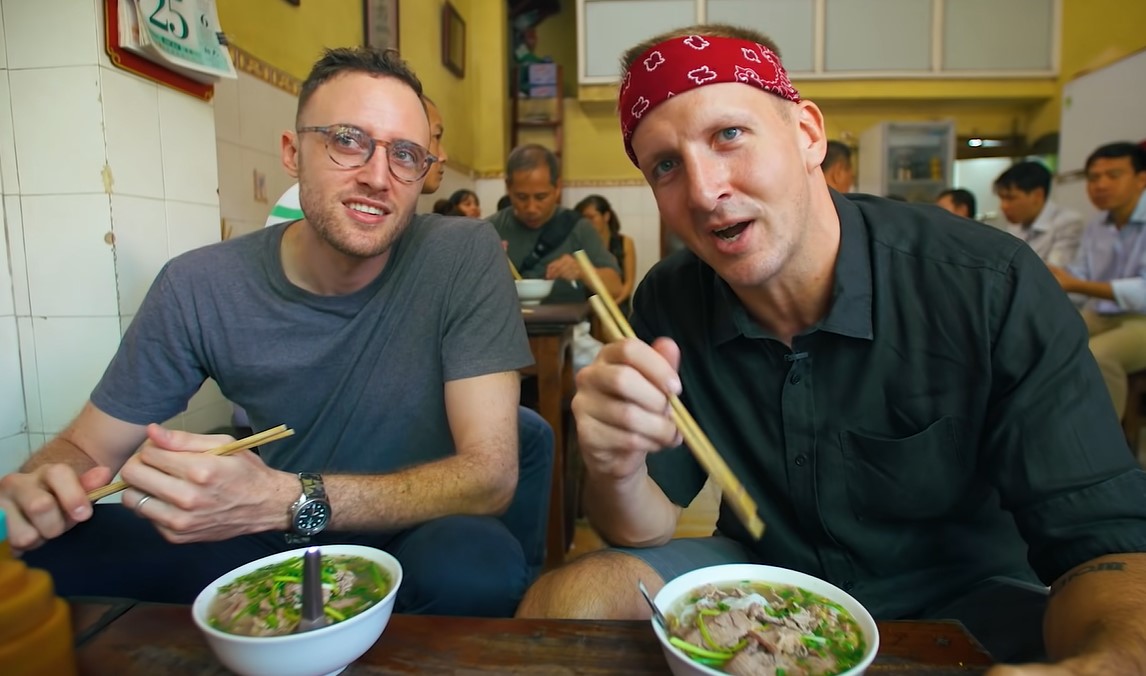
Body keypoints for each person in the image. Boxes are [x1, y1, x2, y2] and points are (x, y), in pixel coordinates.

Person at [516, 24, 1146, 672]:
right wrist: (615, 465)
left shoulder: (987, 284)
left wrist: (1111, 659)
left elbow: (1103, 544)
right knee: (568, 599)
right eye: (666, 166)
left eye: (728, 135)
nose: (704, 192)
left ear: (808, 135)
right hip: (762, 579)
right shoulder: (670, 301)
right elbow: (642, 529)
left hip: (969, 599)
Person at [0, 47, 537, 618]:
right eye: (347, 140)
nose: (378, 176)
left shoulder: (462, 254)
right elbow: (86, 448)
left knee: (476, 566)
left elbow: (489, 476)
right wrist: (39, 488)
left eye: (405, 154)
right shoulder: (199, 285)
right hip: (265, 540)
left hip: (414, 531)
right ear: (292, 152)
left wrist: (287, 498)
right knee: (53, 552)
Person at [1049, 142, 1146, 420]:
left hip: (1141, 319)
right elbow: (1079, 273)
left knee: (1099, 356)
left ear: (1141, 179)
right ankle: (1054, 426)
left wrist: (1076, 284)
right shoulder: (1098, 224)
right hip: (1103, 313)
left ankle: (1106, 447)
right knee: (1047, 337)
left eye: (1113, 176)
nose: (1100, 185)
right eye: (1093, 178)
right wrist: (1051, 276)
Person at [488, 144, 622, 304]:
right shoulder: (490, 230)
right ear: (509, 188)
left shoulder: (579, 227)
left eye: (541, 197)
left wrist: (582, 272)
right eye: (521, 197)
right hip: (507, 327)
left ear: (557, 187)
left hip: (565, 327)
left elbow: (615, 287)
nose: (531, 208)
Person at [994, 161, 1084, 267]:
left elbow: (1053, 272)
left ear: (1037, 195)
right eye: (1001, 199)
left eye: (1010, 198)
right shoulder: (1015, 224)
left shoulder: (1068, 222)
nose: (1003, 206)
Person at [575, 194, 637, 317]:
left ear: (606, 216)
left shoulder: (625, 242)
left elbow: (628, 284)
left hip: (618, 304)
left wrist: (612, 305)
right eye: (583, 219)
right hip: (590, 306)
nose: (587, 223)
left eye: (591, 217)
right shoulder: (580, 246)